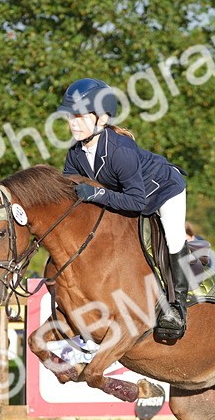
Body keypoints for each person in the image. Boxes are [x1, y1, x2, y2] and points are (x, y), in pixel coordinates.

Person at [58, 78, 191, 339]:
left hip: (163, 190)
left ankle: (177, 308)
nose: (73, 123)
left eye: (81, 116)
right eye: (70, 116)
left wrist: (96, 193)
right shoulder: (74, 153)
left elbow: (137, 202)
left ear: (102, 119)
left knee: (174, 239)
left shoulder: (120, 151)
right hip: (127, 195)